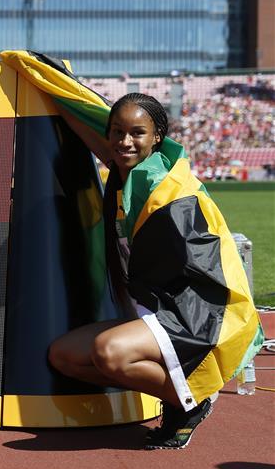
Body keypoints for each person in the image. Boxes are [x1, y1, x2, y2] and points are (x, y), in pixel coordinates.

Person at [47, 91, 260, 449]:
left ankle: (192, 399)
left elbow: (203, 263)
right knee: (64, 356)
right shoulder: (125, 172)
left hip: (190, 316)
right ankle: (179, 394)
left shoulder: (165, 187)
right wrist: (56, 97)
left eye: (136, 133)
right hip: (151, 309)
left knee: (108, 353)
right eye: (116, 131)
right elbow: (101, 144)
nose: (124, 141)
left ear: (157, 136)